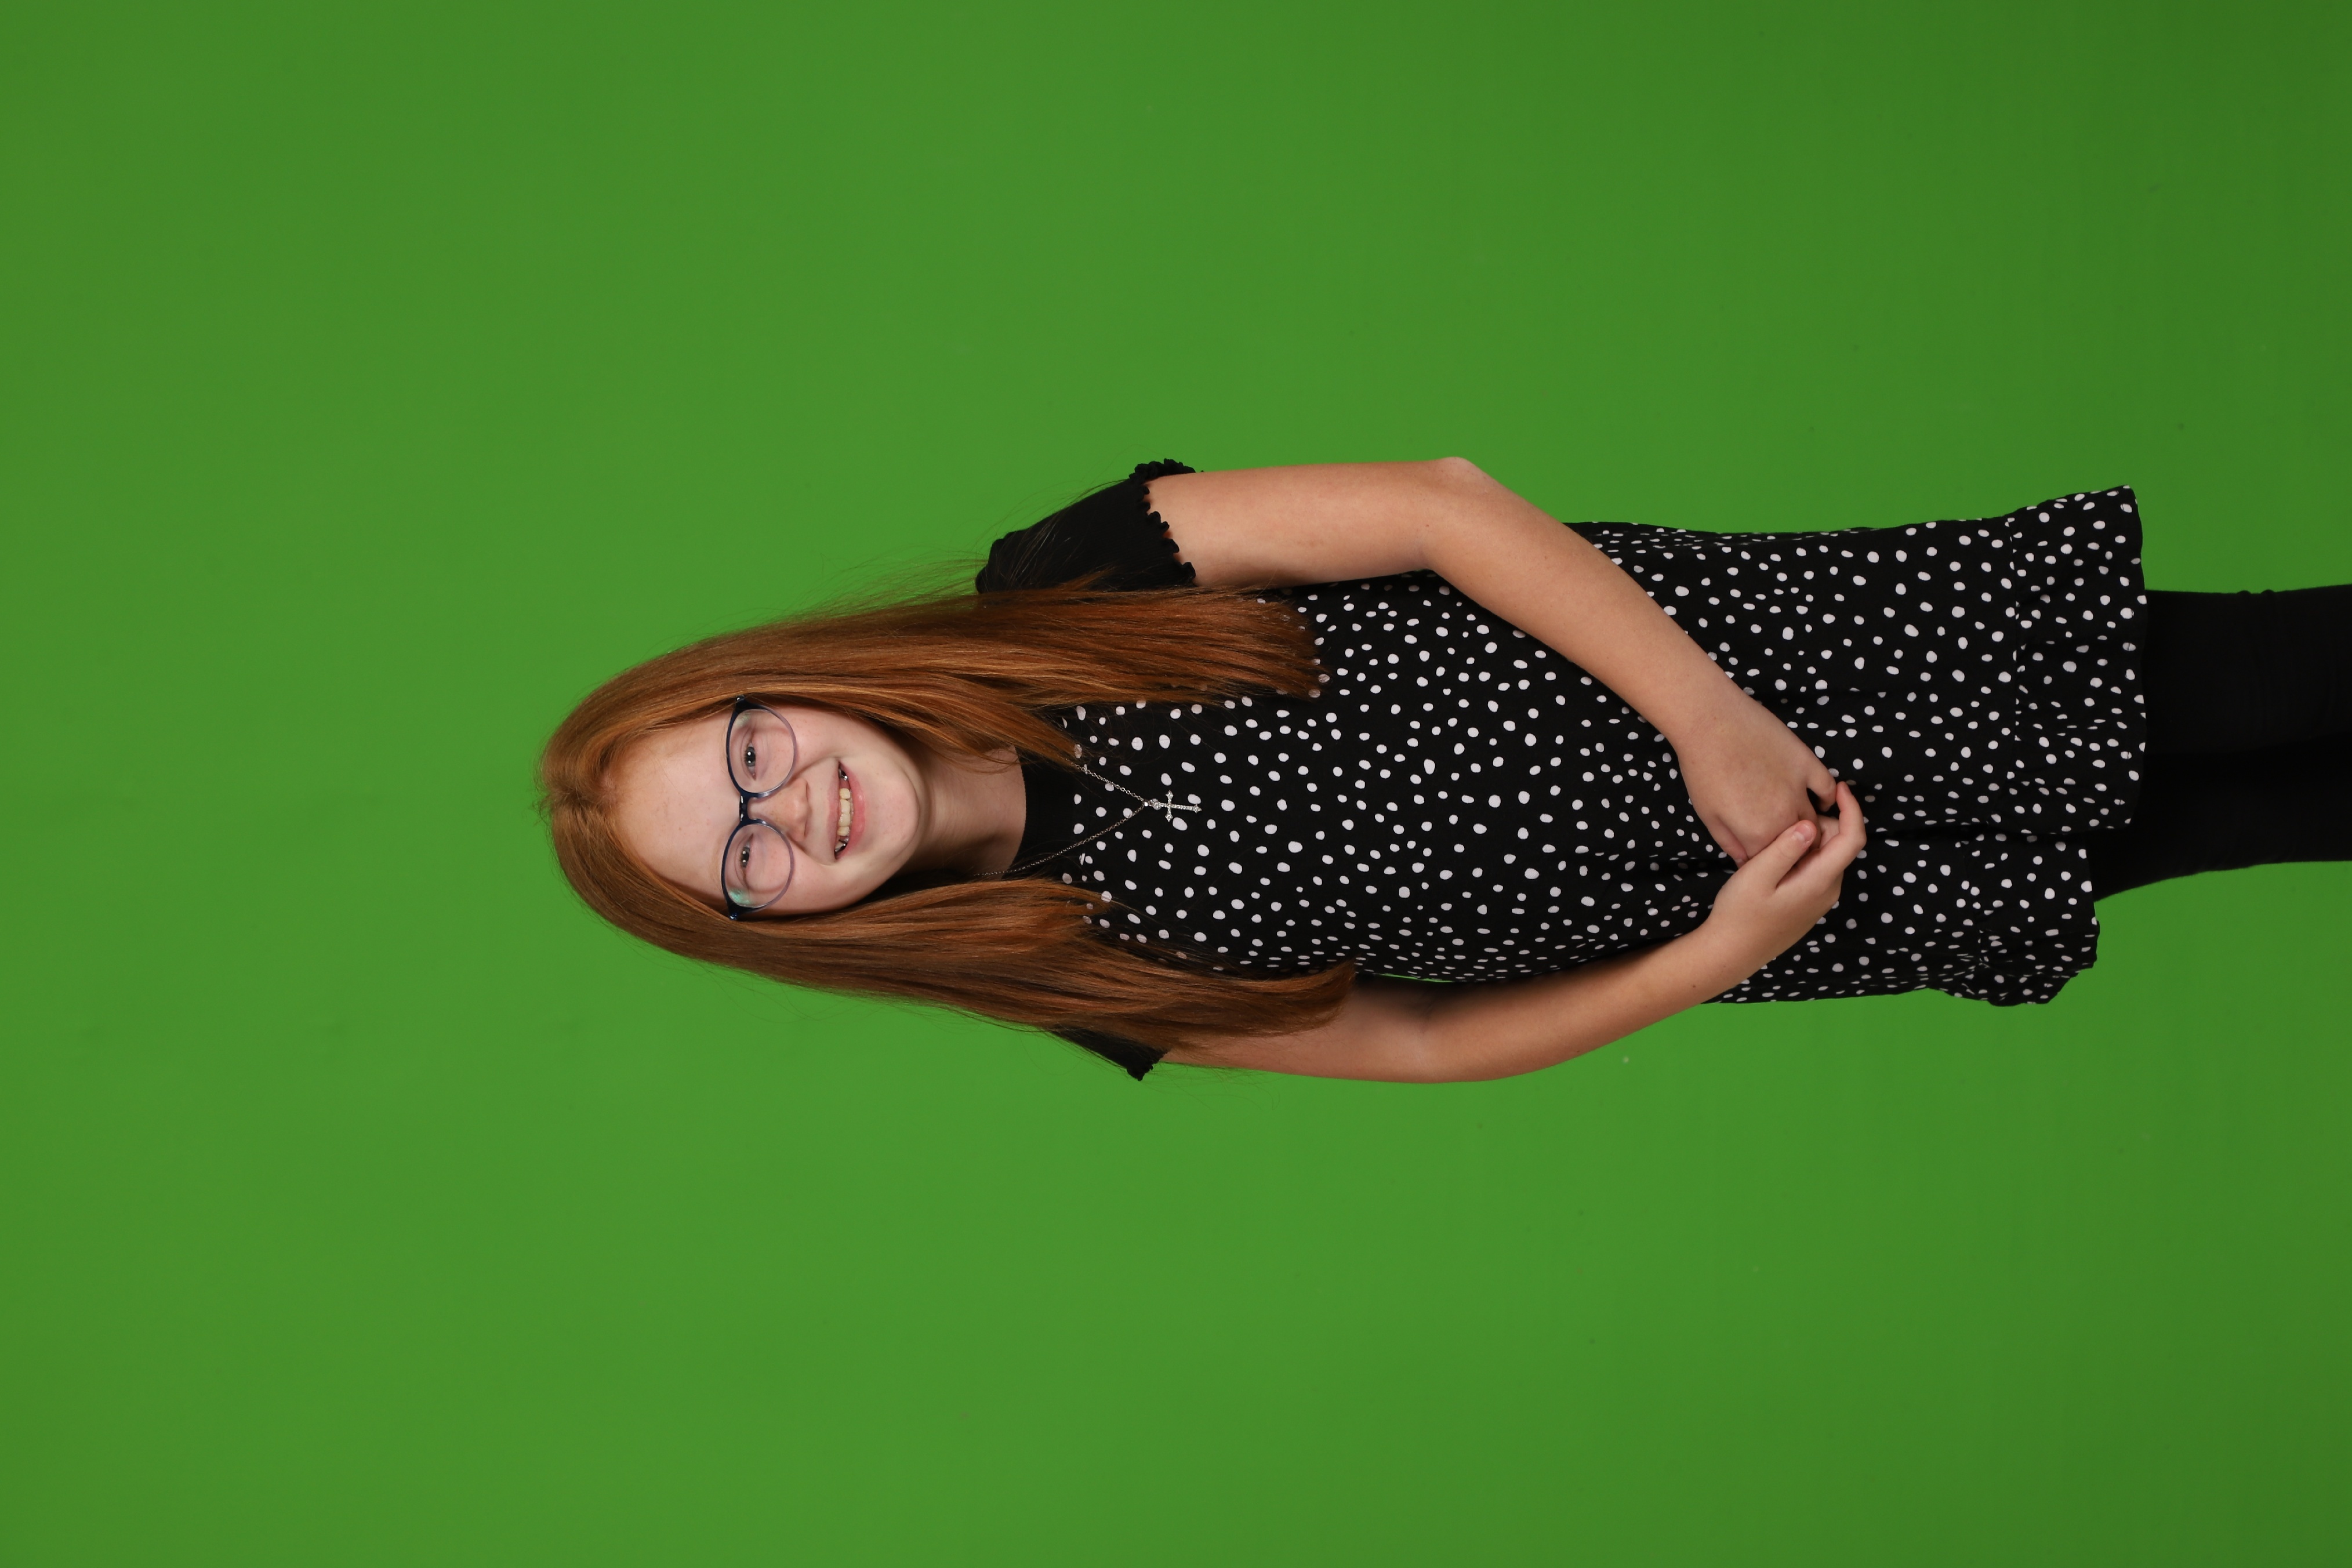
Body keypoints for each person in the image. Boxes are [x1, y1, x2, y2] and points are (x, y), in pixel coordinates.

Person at [540, 459, 2351, 1082]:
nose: (796, 811)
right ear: (775, 926)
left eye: (752, 755)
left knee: (2295, 673)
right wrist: (1720, 955)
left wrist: (1711, 721)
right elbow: (1416, 1041)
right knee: (2280, 817)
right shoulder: (1069, 973)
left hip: (1788, 670)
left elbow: (1442, 511)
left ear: (778, 688)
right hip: (1794, 884)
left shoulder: (1070, 581)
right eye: (749, 858)